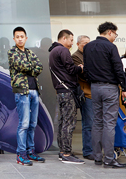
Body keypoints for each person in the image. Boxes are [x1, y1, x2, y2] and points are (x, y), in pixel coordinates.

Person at [83, 21, 126, 169]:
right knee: (109, 123)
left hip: (94, 88)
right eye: (115, 34)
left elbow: (87, 69)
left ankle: (97, 157)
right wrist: (124, 88)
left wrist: (92, 82)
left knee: (97, 122)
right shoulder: (110, 47)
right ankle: (109, 159)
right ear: (109, 32)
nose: (115, 37)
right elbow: (117, 68)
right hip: (109, 88)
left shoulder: (88, 46)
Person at [8, 26, 44, 166]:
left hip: (34, 91)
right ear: (14, 38)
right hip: (22, 91)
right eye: (17, 36)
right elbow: (20, 65)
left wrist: (29, 67)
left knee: (33, 124)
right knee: (23, 124)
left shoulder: (30, 52)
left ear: (26, 38)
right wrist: (31, 67)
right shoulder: (12, 52)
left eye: (22, 36)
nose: (20, 39)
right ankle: (21, 154)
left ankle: (30, 151)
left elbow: (39, 67)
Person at [48, 29, 84, 164]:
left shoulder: (52, 52)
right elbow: (70, 69)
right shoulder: (62, 51)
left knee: (63, 122)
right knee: (69, 122)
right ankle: (67, 153)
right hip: (68, 91)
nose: (72, 43)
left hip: (60, 91)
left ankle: (62, 151)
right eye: (71, 39)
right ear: (64, 38)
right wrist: (80, 68)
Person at [72, 34, 93, 160]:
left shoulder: (90, 55)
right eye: (85, 43)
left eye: (88, 43)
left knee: (96, 123)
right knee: (88, 123)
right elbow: (83, 74)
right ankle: (88, 150)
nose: (87, 45)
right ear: (78, 44)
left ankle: (94, 148)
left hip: (94, 92)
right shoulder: (75, 57)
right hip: (86, 93)